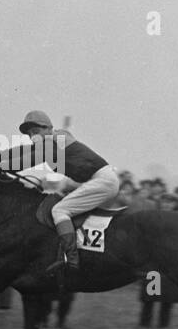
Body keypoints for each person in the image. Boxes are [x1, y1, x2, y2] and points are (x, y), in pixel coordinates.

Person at [13, 110, 120, 271]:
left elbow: (28, 159)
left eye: (36, 131)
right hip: (93, 180)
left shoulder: (58, 138)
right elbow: (24, 152)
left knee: (59, 210)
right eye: (29, 134)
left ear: (48, 128)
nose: (32, 136)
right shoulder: (50, 142)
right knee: (57, 197)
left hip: (102, 180)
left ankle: (71, 260)